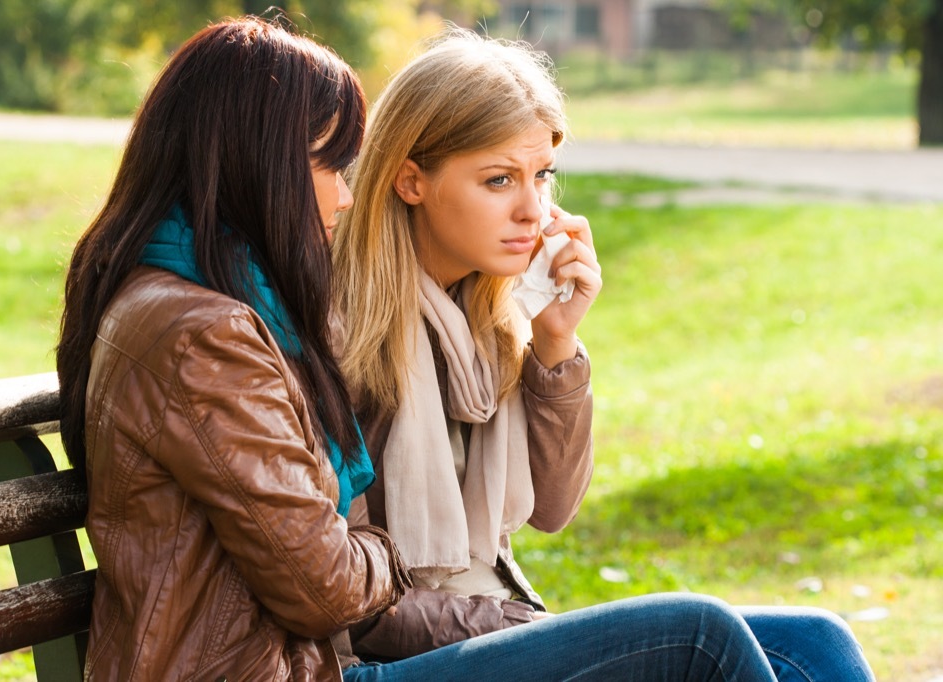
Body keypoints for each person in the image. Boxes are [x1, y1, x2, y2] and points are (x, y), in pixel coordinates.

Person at [332, 29, 876, 681]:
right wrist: (516, 625)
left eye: (542, 176)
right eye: (499, 179)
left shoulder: (487, 319)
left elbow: (554, 508)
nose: (532, 210)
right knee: (699, 633)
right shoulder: (343, 334)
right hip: (371, 662)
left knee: (815, 641)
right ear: (410, 179)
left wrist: (557, 344)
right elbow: (349, 602)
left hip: (484, 628)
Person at [55, 18, 412, 680]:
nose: (346, 195)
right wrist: (386, 556)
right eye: (329, 164)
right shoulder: (204, 337)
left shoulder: (189, 296)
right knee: (670, 637)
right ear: (258, 162)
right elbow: (325, 589)